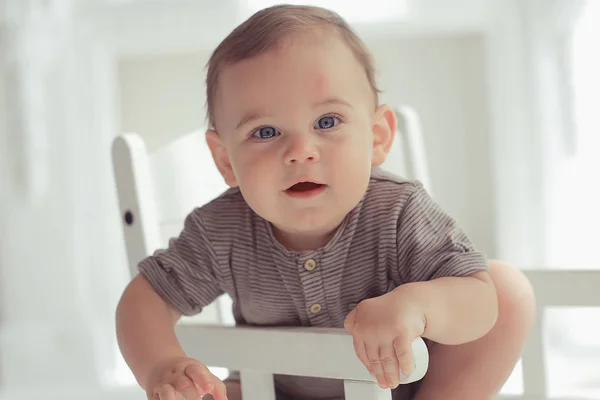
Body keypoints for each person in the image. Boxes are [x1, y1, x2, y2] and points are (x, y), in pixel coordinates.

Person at [116, 5, 535, 400]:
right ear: (226, 160)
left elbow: (480, 305)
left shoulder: (397, 211)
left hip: (391, 392)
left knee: (507, 290)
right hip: (270, 391)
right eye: (265, 132)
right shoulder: (221, 229)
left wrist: (419, 306)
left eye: (327, 122)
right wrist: (162, 364)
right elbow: (144, 301)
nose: (300, 151)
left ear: (376, 137)